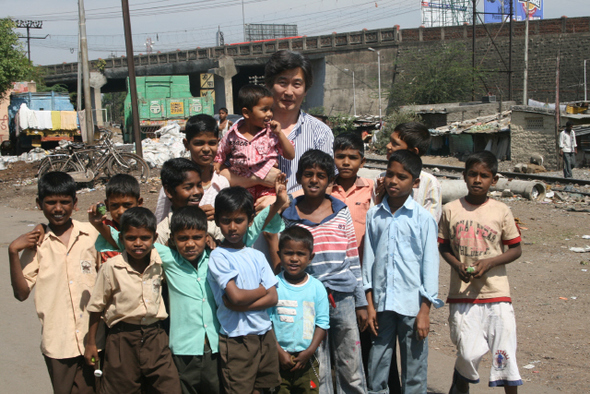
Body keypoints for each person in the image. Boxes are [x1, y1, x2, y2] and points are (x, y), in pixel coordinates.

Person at [281, 149, 368, 394]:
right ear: (299, 177)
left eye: (321, 175)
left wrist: (361, 302)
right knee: (316, 363)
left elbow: (352, 257)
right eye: (308, 174)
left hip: (342, 298)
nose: (314, 180)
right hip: (308, 299)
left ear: (330, 181)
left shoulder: (341, 213)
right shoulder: (289, 215)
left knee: (350, 362)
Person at [8, 171, 103, 394]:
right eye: (50, 202)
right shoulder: (36, 244)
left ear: (75, 203)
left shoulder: (91, 234)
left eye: (64, 202)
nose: (58, 208)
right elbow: (21, 294)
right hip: (58, 343)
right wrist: (13, 251)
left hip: (95, 338)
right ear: (39, 204)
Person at [438, 151, 523, 394]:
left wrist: (491, 262)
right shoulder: (451, 209)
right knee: (467, 353)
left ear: (493, 180)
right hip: (463, 294)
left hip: (496, 293)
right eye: (473, 174)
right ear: (464, 177)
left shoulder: (501, 210)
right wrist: (457, 265)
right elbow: (443, 247)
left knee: (504, 355)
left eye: (484, 176)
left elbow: (515, 249)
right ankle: (460, 385)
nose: (478, 180)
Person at [363, 150, 443, 394]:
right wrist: (370, 304)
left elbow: (430, 266)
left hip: (413, 306)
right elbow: (369, 261)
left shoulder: (422, 219)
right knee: (377, 363)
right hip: (382, 305)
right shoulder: (374, 215)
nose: (393, 181)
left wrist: (425, 312)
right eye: (389, 175)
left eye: (402, 177)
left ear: (415, 183)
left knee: (414, 368)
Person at [85, 207, 182, 393]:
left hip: (155, 336)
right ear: (121, 239)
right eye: (131, 238)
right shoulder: (111, 268)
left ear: (154, 238)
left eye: (145, 238)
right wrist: (91, 343)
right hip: (122, 338)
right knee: (122, 387)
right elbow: (96, 307)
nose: (138, 243)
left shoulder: (160, 263)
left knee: (169, 386)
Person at [221, 50, 334, 203]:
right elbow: (221, 175)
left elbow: (328, 183)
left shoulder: (321, 133)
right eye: (282, 83)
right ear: (268, 85)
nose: (289, 92)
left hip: (300, 219)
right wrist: (259, 178)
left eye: (297, 84)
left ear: (306, 90)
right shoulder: (241, 128)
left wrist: (283, 201)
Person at [207, 187, 281, 394]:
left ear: (250, 221)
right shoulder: (219, 257)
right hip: (236, 338)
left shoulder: (256, 255)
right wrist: (261, 290)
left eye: (238, 220)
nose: (232, 227)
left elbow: (273, 297)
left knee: (264, 388)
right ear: (217, 221)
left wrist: (241, 305)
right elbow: (236, 296)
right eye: (225, 220)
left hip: (264, 333)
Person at [269, 226, 330, 394]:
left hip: (307, 360)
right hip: (278, 359)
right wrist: (279, 352)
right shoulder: (273, 285)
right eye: (288, 253)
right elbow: (267, 323)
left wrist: (309, 351)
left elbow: (322, 324)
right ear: (279, 254)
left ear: (310, 257)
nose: (294, 259)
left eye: (301, 254)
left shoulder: (317, 288)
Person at [214, 84, 295, 200]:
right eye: (264, 110)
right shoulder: (232, 135)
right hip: (241, 188)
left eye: (270, 109)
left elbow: (290, 155)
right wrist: (217, 163)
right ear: (246, 113)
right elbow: (221, 152)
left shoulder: (271, 133)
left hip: (268, 188)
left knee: (267, 212)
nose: (269, 114)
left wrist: (280, 134)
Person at [155, 114, 229, 228]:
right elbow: (160, 225)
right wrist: (191, 215)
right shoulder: (173, 184)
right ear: (186, 144)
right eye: (199, 143)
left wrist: (219, 216)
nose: (206, 149)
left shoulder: (221, 184)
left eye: (212, 143)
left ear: (218, 143)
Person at [376, 122, 442, 221]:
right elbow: (374, 216)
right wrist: (380, 196)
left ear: (413, 151)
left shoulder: (429, 182)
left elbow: (430, 222)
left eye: (395, 143)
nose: (388, 146)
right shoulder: (382, 178)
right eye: (390, 141)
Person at [331, 132, 374, 261]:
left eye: (353, 158)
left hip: (361, 258)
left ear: (362, 162)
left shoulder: (372, 189)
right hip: (332, 259)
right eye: (340, 156)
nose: (346, 162)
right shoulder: (325, 189)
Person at [94, 173, 143, 263]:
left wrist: (98, 225)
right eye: (114, 205)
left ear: (139, 203)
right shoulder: (104, 227)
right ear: (107, 205)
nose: (121, 211)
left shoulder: (144, 228)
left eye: (127, 205)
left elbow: (120, 242)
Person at [157, 158, 205, 245]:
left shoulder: (211, 224)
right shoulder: (162, 233)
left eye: (199, 185)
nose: (197, 192)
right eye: (188, 187)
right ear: (169, 191)